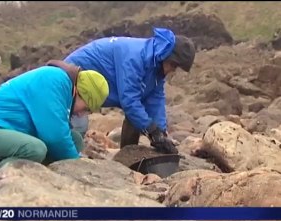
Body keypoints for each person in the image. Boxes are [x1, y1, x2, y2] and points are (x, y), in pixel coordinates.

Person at [0, 60, 109, 179]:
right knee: (35, 150)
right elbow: (54, 136)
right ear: (80, 92)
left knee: (75, 140)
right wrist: (78, 166)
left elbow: (61, 135)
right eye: (86, 108)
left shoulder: (62, 86)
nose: (82, 114)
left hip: (4, 131)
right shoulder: (54, 80)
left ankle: (33, 167)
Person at [64, 27, 196, 154]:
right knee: (74, 130)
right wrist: (151, 129)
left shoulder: (155, 66)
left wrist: (160, 132)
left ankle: (127, 156)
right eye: (173, 65)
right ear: (164, 55)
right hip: (72, 81)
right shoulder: (135, 58)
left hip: (94, 86)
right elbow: (129, 100)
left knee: (139, 116)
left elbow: (155, 99)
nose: (173, 70)